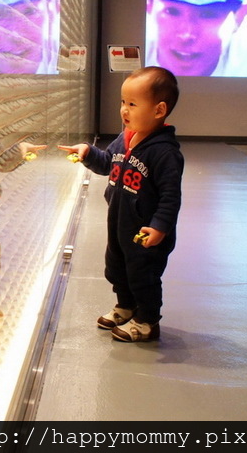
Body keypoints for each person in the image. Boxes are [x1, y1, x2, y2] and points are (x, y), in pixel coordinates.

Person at [59, 66, 184, 342]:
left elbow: (170, 196)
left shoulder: (164, 153)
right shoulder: (124, 140)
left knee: (143, 274)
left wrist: (159, 227)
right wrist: (88, 152)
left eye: (132, 104)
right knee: (117, 267)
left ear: (159, 110)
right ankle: (126, 307)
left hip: (145, 231)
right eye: (122, 102)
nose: (124, 110)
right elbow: (107, 164)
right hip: (119, 221)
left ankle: (147, 320)